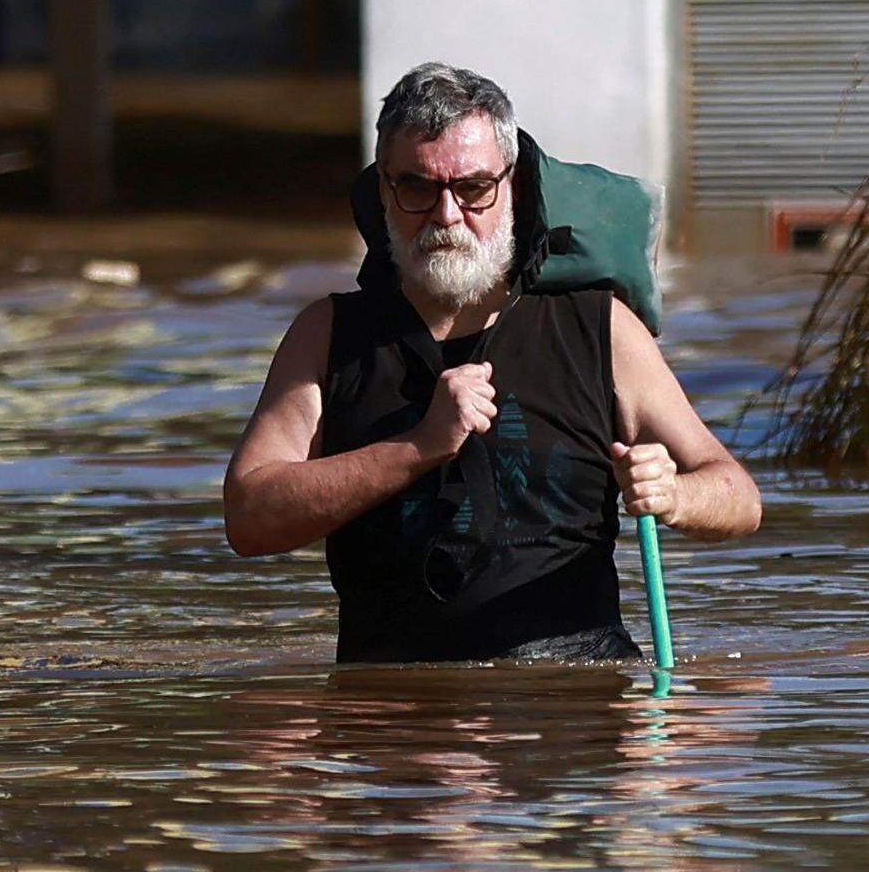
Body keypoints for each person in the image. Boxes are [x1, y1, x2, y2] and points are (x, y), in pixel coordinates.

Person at [223, 65, 758, 663]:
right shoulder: (327, 335)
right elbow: (249, 516)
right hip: (387, 713)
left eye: (474, 189)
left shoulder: (600, 327)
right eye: (418, 189)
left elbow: (738, 497)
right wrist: (418, 447)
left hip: (575, 700)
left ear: (515, 188)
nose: (447, 216)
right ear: (382, 192)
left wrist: (676, 495)